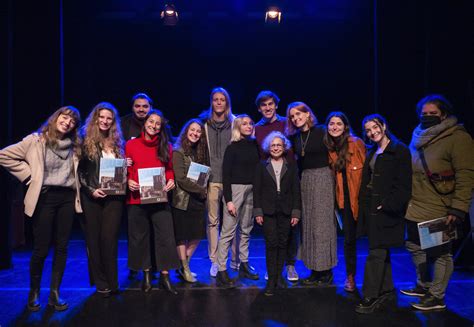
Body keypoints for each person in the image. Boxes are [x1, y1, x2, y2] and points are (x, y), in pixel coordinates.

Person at [0, 106, 82, 311]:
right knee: (41, 248)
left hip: (67, 198)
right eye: (64, 118)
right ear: (56, 118)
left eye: (72, 121)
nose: (67, 122)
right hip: (44, 197)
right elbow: (4, 155)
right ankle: (34, 291)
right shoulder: (36, 140)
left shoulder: (76, 146)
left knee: (62, 247)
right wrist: (28, 176)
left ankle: (55, 293)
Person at [402, 95, 474, 311]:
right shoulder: (418, 135)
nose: (427, 117)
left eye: (433, 114)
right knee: (413, 245)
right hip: (415, 204)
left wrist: (459, 208)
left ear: (444, 114)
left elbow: (466, 175)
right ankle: (424, 285)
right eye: (424, 113)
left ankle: (437, 296)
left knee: (440, 252)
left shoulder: (457, 137)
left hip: (439, 205)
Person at [355, 114, 412, 314]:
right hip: (371, 208)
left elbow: (404, 186)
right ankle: (387, 289)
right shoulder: (373, 151)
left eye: (375, 127)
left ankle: (370, 295)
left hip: (386, 209)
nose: (372, 132)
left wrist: (386, 205)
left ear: (384, 126)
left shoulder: (400, 150)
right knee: (381, 249)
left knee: (375, 252)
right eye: (368, 130)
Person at [125, 109, 179, 294]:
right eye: (151, 121)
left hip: (159, 197)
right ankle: (146, 275)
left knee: (165, 236)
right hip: (137, 198)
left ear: (161, 127)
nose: (154, 125)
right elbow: (126, 168)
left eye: (158, 123)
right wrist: (127, 180)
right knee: (140, 237)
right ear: (145, 122)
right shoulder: (131, 145)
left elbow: (169, 169)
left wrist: (171, 180)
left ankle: (165, 277)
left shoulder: (167, 146)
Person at [286, 102, 336, 285]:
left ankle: (326, 271)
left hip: (323, 178)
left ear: (308, 114)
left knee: (322, 226)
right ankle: (315, 270)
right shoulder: (295, 137)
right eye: (292, 116)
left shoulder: (322, 131)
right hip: (305, 180)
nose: (295, 118)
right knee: (309, 227)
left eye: (299, 114)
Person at [78, 102, 125, 297]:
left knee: (109, 239)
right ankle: (100, 282)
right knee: (94, 240)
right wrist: (90, 190)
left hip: (114, 198)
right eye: (102, 117)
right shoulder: (84, 139)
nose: (105, 121)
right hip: (92, 197)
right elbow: (78, 171)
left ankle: (112, 281)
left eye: (109, 118)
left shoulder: (117, 143)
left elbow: (119, 171)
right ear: (96, 118)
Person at [254, 90, 299, 282]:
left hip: (289, 178)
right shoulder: (256, 129)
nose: (267, 108)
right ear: (259, 108)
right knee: (272, 235)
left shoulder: (286, 124)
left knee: (290, 228)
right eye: (263, 105)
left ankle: (289, 265)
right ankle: (273, 269)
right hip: (269, 181)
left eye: (270, 104)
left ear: (276, 105)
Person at [216, 114, 260, 288]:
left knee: (246, 230)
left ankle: (244, 264)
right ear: (238, 127)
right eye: (245, 124)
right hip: (235, 191)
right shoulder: (232, 148)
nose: (248, 126)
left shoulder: (254, 145)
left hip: (251, 190)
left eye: (250, 123)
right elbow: (225, 175)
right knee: (228, 231)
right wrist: (229, 201)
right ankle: (221, 269)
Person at [324, 111, 366, 292]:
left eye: (338, 124)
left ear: (345, 126)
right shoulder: (329, 148)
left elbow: (367, 172)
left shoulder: (356, 143)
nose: (334, 127)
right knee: (349, 241)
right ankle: (351, 278)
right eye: (331, 124)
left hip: (360, 197)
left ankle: (380, 280)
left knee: (371, 240)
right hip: (344, 200)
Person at [199, 87, 239, 277]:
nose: (219, 102)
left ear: (227, 102)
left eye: (222, 99)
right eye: (216, 99)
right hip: (212, 180)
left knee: (231, 222)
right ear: (212, 102)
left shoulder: (235, 123)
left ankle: (234, 259)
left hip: (232, 180)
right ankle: (215, 261)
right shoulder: (204, 123)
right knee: (213, 222)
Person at [171, 119, 209, 283]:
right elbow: (180, 179)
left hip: (197, 201)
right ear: (186, 131)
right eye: (192, 130)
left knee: (197, 235)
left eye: (198, 131)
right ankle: (185, 268)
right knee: (181, 236)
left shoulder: (200, 152)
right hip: (182, 200)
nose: (195, 133)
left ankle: (183, 264)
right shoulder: (178, 152)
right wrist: (201, 190)